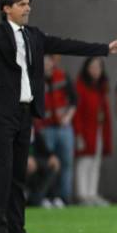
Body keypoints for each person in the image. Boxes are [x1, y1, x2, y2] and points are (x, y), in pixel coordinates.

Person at [0, 0, 117, 233]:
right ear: (6, 9)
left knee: (19, 173)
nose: (27, 8)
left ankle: (18, 230)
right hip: (0, 112)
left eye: (28, 4)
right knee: (4, 170)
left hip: (25, 112)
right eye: (21, 4)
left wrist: (105, 49)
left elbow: (67, 45)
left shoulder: (35, 35)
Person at [73, 57, 113, 207]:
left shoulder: (101, 88)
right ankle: (82, 194)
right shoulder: (80, 86)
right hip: (86, 129)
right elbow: (77, 111)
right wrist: (78, 133)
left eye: (99, 67)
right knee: (84, 161)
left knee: (96, 162)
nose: (96, 70)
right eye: (93, 67)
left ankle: (92, 193)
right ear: (86, 68)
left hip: (99, 129)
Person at [39, 55, 77, 204]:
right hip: (46, 128)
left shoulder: (62, 76)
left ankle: (63, 197)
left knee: (66, 163)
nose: (47, 65)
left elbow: (74, 100)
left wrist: (68, 117)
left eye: (49, 62)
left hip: (63, 127)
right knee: (49, 163)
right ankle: (47, 196)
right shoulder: (35, 79)